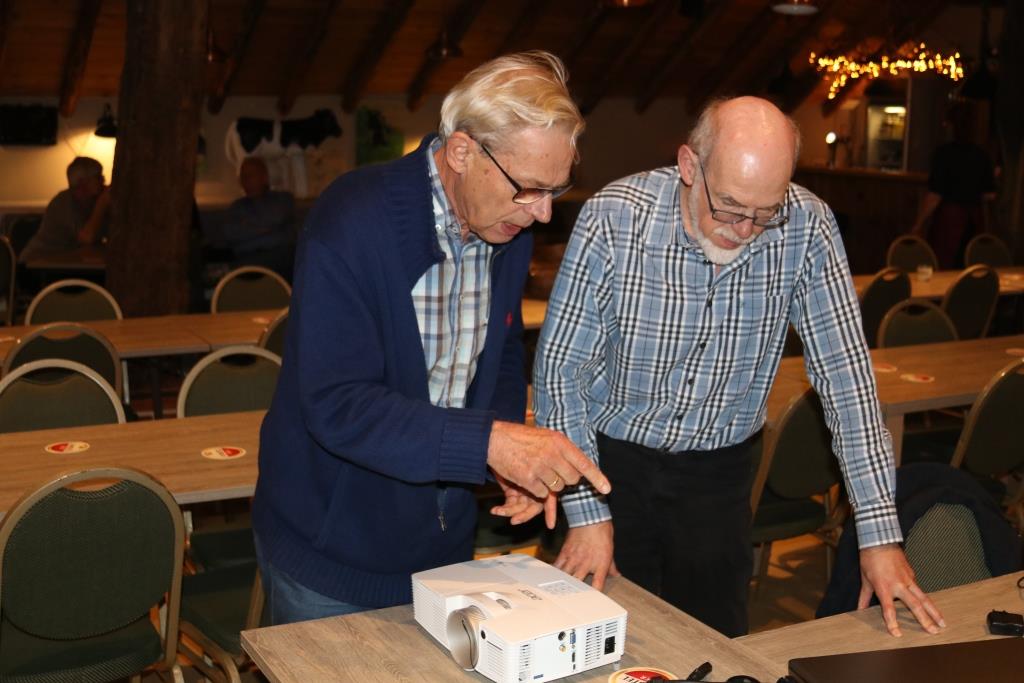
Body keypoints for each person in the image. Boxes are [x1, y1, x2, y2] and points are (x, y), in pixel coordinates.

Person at [534, 96, 946, 638]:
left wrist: (879, 534)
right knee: (586, 642)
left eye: (765, 212)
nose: (745, 229)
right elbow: (561, 373)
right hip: (605, 464)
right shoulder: (615, 217)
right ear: (689, 165)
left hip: (718, 478)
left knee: (711, 645)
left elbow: (847, 381)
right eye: (728, 206)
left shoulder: (807, 226)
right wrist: (587, 512)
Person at [252, 51, 610, 625]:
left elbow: (498, 356)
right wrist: (490, 443)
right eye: (530, 189)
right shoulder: (352, 220)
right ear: (463, 152)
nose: (543, 214)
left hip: (443, 546)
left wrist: (505, 462)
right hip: (331, 551)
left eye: (556, 190)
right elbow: (337, 403)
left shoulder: (506, 226)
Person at [910, 103, 997, 269]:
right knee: (971, 267)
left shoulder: (944, 154)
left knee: (944, 266)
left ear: (951, 126)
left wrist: (918, 224)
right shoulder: (982, 155)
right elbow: (989, 195)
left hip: (949, 222)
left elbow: (935, 196)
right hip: (974, 221)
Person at [19, 156, 110, 262]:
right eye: (98, 177)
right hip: (38, 262)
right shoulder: (63, 203)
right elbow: (87, 238)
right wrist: (102, 203)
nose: (104, 180)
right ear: (83, 183)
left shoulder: (92, 201)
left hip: (67, 262)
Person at [218, 156, 296, 279]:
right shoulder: (237, 207)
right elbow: (230, 233)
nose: (246, 181)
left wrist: (247, 226)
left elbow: (277, 223)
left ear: (264, 177)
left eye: (251, 175)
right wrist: (267, 231)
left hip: (280, 265)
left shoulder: (282, 199)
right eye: (243, 177)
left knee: (285, 253)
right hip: (247, 262)